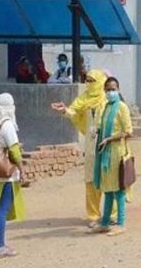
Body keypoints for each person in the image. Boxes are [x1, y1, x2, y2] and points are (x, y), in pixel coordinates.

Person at [52, 70, 108, 227]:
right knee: (91, 179)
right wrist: (64, 110)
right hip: (92, 144)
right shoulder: (83, 98)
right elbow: (73, 111)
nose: (89, 83)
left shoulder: (107, 98)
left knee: (110, 179)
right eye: (87, 80)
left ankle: (113, 213)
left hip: (109, 142)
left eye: (93, 80)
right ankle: (93, 215)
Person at [90, 77, 133, 236]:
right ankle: (105, 222)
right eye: (107, 89)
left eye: (113, 89)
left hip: (117, 152)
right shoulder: (106, 107)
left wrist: (110, 138)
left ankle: (121, 223)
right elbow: (102, 127)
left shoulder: (121, 107)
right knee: (107, 188)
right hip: (105, 154)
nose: (110, 92)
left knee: (119, 189)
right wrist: (97, 132)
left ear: (118, 89)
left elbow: (129, 132)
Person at [0, 93, 26, 258]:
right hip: (6, 174)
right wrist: (22, 169)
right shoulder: (8, 125)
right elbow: (14, 150)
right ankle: (1, 246)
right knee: (3, 208)